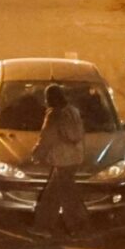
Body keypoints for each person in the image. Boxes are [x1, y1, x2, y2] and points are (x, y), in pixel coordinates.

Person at [29, 84, 90, 238]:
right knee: (55, 195)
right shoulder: (73, 111)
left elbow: (46, 137)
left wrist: (37, 154)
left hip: (62, 160)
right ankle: (46, 226)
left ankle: (74, 228)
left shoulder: (54, 114)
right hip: (75, 158)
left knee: (64, 197)